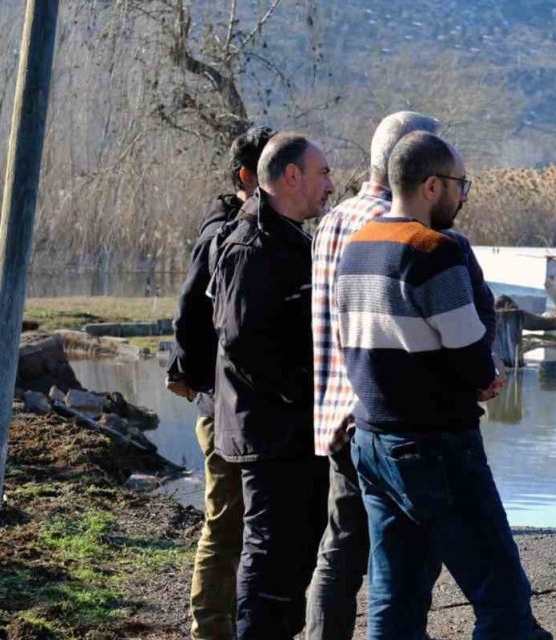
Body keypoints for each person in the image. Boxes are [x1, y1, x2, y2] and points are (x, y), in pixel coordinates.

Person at [336, 131, 546, 640]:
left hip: (372, 441)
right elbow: (471, 353)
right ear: (432, 186)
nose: (463, 194)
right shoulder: (433, 250)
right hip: (436, 446)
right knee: (503, 600)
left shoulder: (357, 246)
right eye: (459, 184)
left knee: (395, 601)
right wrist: (486, 377)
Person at [306, 111, 444, 640]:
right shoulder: (404, 226)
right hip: (386, 413)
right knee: (408, 549)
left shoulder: (334, 219)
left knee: (341, 548)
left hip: (336, 411)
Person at [210, 131, 334, 639]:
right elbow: (241, 342)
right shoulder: (251, 244)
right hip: (268, 433)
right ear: (291, 176)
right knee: (268, 557)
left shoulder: (290, 236)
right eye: (322, 173)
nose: (330, 184)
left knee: (296, 552)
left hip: (294, 431)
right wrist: (301, 390)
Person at [166, 124, 273, 640]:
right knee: (226, 521)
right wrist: (186, 373)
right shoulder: (223, 234)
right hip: (221, 403)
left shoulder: (256, 226)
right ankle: (209, 628)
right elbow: (189, 310)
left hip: (236, 402)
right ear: (246, 176)